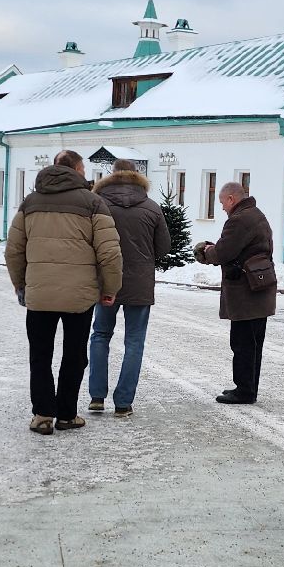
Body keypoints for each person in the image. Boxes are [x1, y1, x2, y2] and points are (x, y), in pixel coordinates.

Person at [5, 150, 123, 435]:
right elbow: (109, 252)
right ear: (78, 170)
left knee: (40, 355)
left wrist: (21, 283)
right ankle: (67, 414)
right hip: (79, 297)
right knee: (74, 354)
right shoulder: (94, 203)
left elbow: (14, 250)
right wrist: (110, 288)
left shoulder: (30, 203)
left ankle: (43, 414)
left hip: (40, 294)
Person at [90, 160, 168, 417]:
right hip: (140, 283)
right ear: (137, 176)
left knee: (100, 335)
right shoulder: (151, 207)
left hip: (105, 282)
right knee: (134, 341)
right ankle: (123, 403)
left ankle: (97, 397)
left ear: (112, 175)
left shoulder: (99, 205)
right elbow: (164, 248)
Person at [195, 181, 277, 404]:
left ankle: (244, 391)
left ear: (232, 199)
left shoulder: (239, 220)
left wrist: (207, 252)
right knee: (254, 343)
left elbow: (224, 252)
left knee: (242, 343)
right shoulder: (256, 214)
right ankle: (249, 387)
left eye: (222, 202)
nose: (222, 207)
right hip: (260, 286)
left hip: (246, 291)